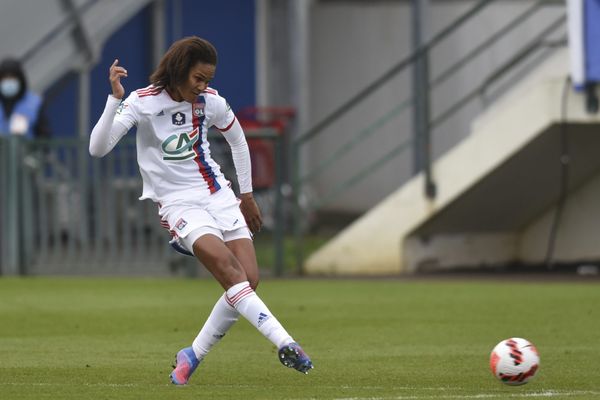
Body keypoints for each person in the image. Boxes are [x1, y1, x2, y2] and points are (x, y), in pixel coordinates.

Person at [89, 36, 313, 384]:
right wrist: (113, 99)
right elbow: (97, 149)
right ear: (179, 70)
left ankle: (192, 354)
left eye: (208, 79)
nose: (203, 86)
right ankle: (286, 343)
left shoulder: (210, 102)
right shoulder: (142, 102)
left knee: (248, 280)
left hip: (217, 195)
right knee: (228, 270)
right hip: (178, 202)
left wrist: (247, 194)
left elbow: (238, 139)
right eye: (198, 78)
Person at [0, 57, 50, 139]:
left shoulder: (34, 103)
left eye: (12, 77)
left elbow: (44, 137)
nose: (8, 81)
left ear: (20, 79)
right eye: (4, 78)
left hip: (26, 150)